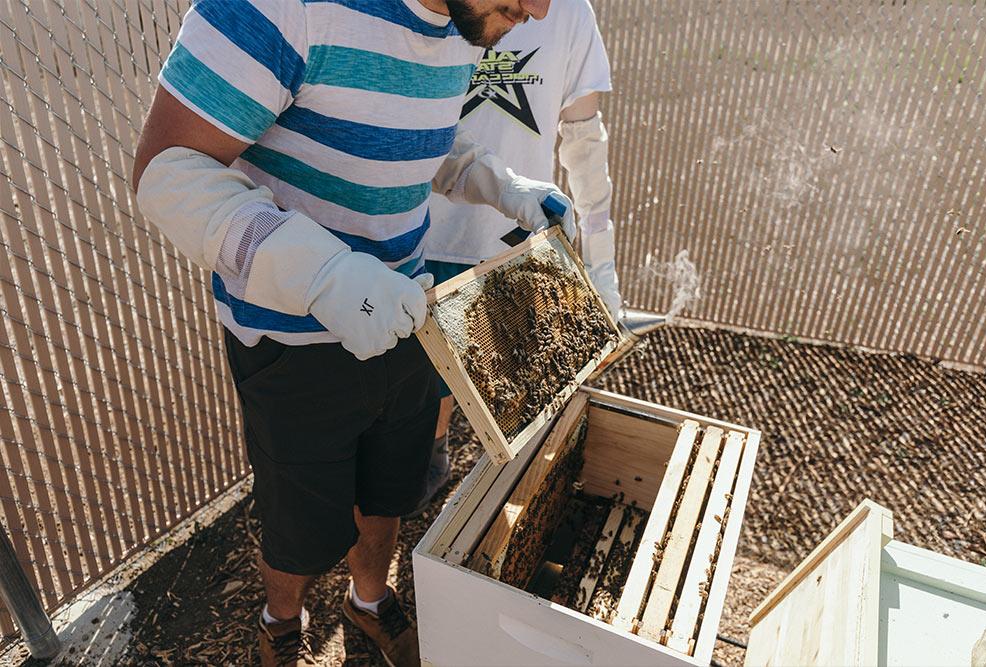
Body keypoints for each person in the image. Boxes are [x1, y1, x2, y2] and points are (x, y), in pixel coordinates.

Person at [129, 1, 576, 665]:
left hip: (408, 315)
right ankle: (282, 621)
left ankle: (368, 601)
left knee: (391, 488)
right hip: (290, 347)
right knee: (300, 524)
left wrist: (501, 185)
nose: (539, 10)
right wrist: (323, 275)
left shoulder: (466, 21)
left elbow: (425, 140)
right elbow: (165, 173)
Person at [412, 0, 621, 510]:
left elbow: (584, 142)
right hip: (416, 236)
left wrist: (601, 265)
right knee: (418, 396)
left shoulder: (567, 13)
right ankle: (429, 454)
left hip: (516, 240)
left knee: (520, 395)